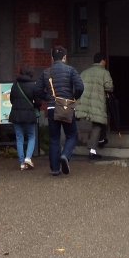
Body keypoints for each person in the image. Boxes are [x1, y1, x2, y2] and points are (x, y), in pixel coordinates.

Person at [36, 46, 83, 176]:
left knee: (54, 138)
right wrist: (73, 98)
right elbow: (80, 86)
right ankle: (65, 155)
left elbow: (37, 90)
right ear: (65, 57)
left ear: (52, 58)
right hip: (66, 107)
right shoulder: (71, 70)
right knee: (72, 135)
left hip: (52, 107)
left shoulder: (46, 72)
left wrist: (49, 98)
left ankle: (55, 169)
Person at [76, 54, 114, 159]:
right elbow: (109, 87)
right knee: (98, 124)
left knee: (99, 123)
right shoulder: (105, 73)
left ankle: (101, 140)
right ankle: (92, 150)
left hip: (85, 103)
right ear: (102, 61)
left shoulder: (84, 72)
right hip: (98, 103)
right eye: (105, 61)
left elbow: (78, 86)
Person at [8, 67, 39, 170]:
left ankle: (21, 163)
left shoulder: (15, 85)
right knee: (31, 136)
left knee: (19, 138)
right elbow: (38, 102)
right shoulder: (33, 86)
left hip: (16, 114)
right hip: (29, 115)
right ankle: (28, 158)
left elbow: (11, 99)